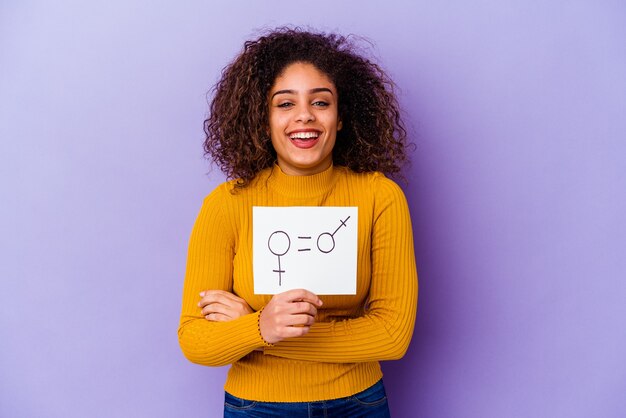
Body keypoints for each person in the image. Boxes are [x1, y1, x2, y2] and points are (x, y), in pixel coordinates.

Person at [178, 27, 418, 417]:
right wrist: (262, 327)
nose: (304, 116)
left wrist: (257, 331)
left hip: (358, 404)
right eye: (285, 104)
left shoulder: (379, 197)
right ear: (264, 117)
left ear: (340, 117)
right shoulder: (226, 205)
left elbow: (391, 336)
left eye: (321, 102)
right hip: (257, 407)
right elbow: (195, 339)